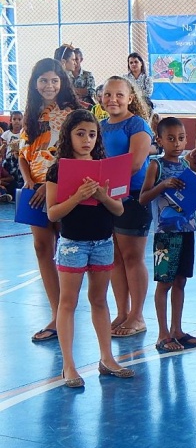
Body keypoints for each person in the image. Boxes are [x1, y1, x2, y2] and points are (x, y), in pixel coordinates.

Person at [44, 110, 134, 387]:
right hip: (73, 244)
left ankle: (107, 358)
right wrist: (77, 197)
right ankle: (68, 365)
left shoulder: (106, 167)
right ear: (69, 136)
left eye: (92, 134)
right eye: (80, 134)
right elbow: (52, 213)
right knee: (68, 302)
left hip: (103, 242)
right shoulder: (58, 169)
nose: (86, 140)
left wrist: (103, 196)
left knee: (99, 299)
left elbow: (119, 209)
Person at [19, 58, 81, 342]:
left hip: (61, 187)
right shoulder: (31, 113)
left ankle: (67, 312)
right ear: (35, 83)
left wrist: (49, 183)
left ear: (62, 82)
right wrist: (28, 180)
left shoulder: (71, 114)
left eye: (54, 80)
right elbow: (23, 153)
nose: (49, 85)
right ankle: (56, 315)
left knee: (67, 250)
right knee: (42, 247)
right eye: (43, 80)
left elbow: (75, 152)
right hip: (33, 192)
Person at [139, 117, 196, 353]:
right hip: (166, 234)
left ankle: (177, 330)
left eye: (181, 138)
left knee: (181, 281)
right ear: (159, 140)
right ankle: (162, 333)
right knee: (164, 282)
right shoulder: (155, 165)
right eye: (171, 139)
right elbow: (143, 198)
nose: (177, 143)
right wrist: (163, 185)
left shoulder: (186, 164)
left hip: (187, 230)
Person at [100, 76, 153, 338]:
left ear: (130, 98)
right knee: (115, 257)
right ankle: (122, 312)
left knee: (132, 256)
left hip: (132, 198)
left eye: (119, 95)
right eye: (108, 94)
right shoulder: (99, 126)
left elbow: (134, 164)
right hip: (105, 198)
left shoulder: (137, 124)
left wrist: (105, 184)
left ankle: (137, 315)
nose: (113, 99)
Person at [1, 110, 23, 192]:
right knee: (8, 173)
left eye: (19, 119)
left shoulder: (23, 134)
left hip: (19, 158)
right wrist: (2, 157)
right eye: (14, 119)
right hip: (8, 159)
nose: (17, 121)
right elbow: (3, 148)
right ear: (10, 121)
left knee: (18, 176)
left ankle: (17, 188)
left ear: (23, 121)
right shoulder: (6, 134)